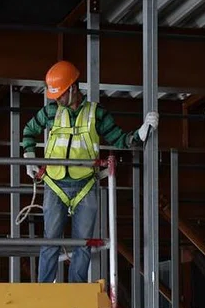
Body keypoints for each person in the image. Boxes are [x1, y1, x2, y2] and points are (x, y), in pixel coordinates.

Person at [22, 60, 159, 284]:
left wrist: (141, 133)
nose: (56, 99)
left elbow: (119, 139)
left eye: (60, 94)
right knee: (50, 242)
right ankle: (44, 291)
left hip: (84, 186)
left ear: (73, 88)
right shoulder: (51, 112)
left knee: (82, 244)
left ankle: (75, 293)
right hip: (55, 185)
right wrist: (29, 157)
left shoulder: (97, 114)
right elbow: (28, 131)